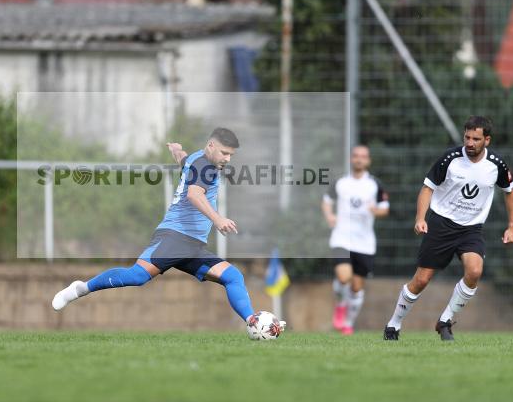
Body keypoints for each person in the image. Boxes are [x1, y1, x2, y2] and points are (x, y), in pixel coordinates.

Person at [52, 128, 281, 331]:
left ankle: (253, 321)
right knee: (138, 276)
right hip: (176, 236)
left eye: (231, 155)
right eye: (224, 153)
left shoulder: (197, 158)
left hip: (192, 245)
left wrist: (176, 151)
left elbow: (184, 161)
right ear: (211, 146)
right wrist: (218, 219)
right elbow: (194, 195)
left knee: (232, 276)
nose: (228, 159)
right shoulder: (206, 167)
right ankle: (81, 288)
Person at [383, 116, 513, 342]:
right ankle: (393, 324)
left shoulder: (496, 164)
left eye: (476, 138)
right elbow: (427, 188)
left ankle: (445, 320)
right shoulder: (450, 158)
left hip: (471, 229)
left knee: (474, 271)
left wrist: (512, 226)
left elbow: (510, 192)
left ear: (487, 140)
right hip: (441, 224)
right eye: (467, 137)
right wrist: (420, 218)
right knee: (421, 280)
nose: (470, 142)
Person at [321, 145, 389, 335]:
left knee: (357, 288)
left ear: (368, 160)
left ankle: (348, 323)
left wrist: (376, 210)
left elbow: (385, 207)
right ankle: (341, 305)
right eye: (356, 156)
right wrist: (330, 216)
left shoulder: (375, 184)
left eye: (363, 156)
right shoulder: (341, 183)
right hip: (342, 238)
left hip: (365, 243)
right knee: (343, 277)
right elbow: (327, 201)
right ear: (351, 159)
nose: (359, 159)